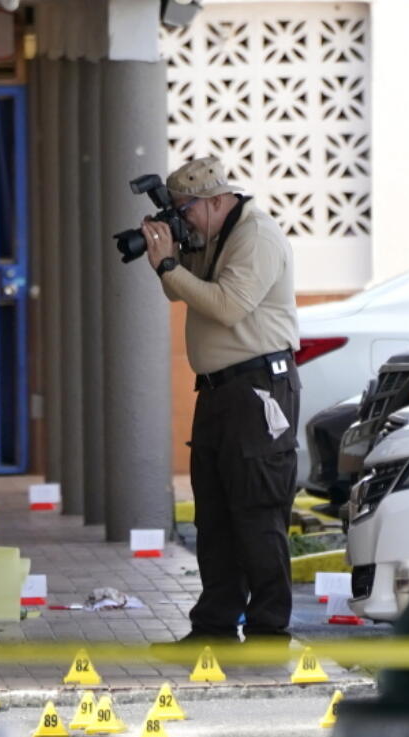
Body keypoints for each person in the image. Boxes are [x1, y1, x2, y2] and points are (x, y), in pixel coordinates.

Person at [140, 155, 300, 643]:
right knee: (214, 514)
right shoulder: (212, 234)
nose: (181, 218)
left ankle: (269, 630)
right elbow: (178, 294)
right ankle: (213, 625)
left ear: (214, 201)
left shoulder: (256, 236)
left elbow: (229, 307)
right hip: (217, 391)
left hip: (257, 391)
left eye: (185, 210)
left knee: (256, 510)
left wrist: (169, 263)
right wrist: (173, 255)